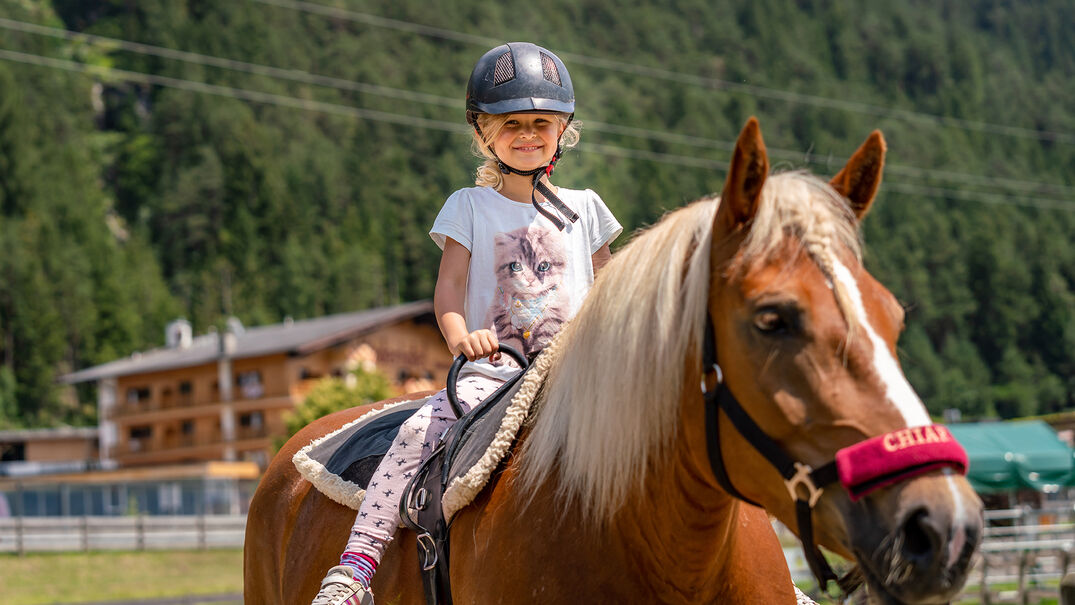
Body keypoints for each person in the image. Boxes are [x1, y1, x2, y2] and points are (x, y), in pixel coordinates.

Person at [310, 41, 622, 605]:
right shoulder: (469, 207)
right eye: (511, 125)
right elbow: (449, 289)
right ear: (484, 133)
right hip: (495, 371)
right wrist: (463, 338)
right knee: (417, 431)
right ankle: (356, 566)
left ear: (563, 130)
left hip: (576, 373)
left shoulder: (586, 207)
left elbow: (613, 291)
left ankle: (758, 572)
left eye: (541, 123)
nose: (527, 135)